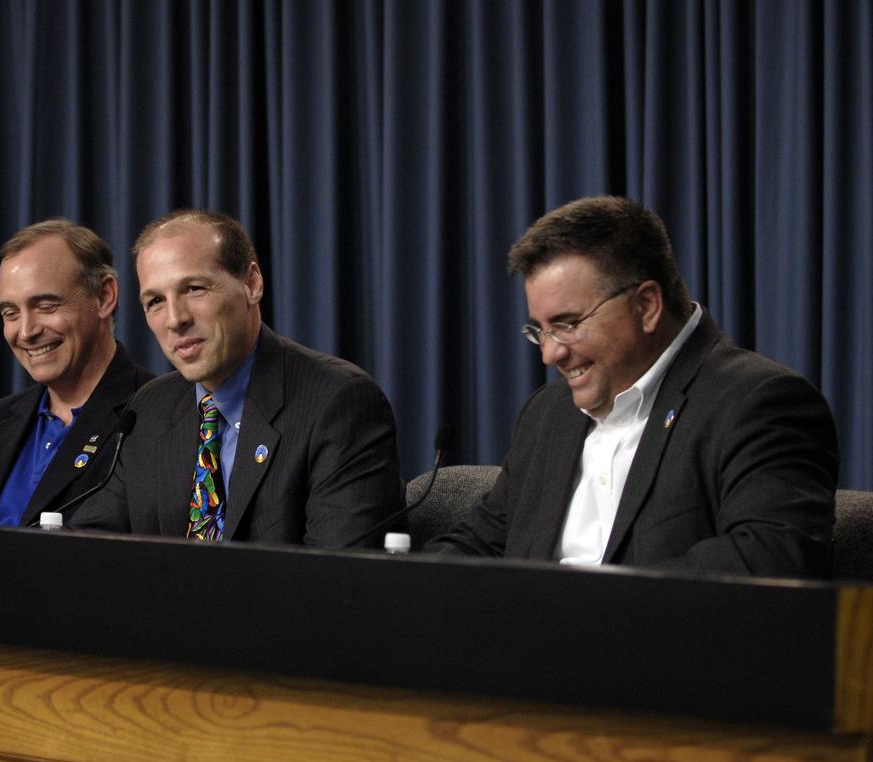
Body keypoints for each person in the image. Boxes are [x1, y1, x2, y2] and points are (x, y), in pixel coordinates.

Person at [427, 195, 838, 576]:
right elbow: (484, 541)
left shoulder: (758, 402)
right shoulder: (548, 412)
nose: (550, 354)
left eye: (567, 325)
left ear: (646, 306)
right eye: (541, 330)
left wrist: (589, 607)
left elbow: (770, 556)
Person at [72, 209, 403, 548]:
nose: (174, 319)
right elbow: (88, 547)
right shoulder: (149, 409)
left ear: (251, 284)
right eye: (155, 301)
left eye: (194, 289)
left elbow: (338, 573)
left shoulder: (338, 403)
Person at [0, 219, 153, 526]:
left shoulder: (156, 417)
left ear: (104, 296)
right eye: (11, 313)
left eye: (46, 306)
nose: (26, 331)